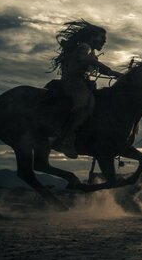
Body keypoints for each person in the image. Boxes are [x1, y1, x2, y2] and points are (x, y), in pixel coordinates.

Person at [50, 20, 122, 158]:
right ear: (91, 37)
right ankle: (65, 139)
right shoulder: (85, 47)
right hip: (74, 82)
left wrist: (114, 73)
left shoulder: (90, 50)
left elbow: (93, 64)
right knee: (84, 105)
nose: (104, 42)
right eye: (102, 38)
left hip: (82, 82)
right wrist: (107, 69)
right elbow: (83, 58)